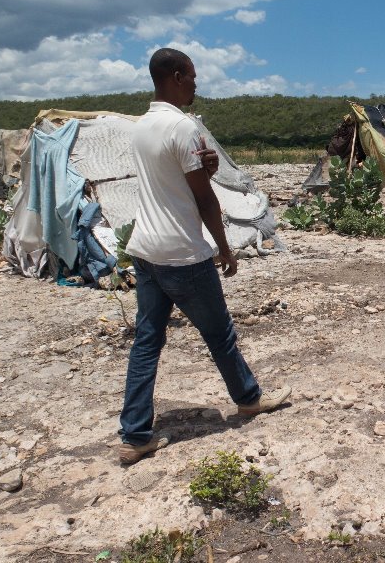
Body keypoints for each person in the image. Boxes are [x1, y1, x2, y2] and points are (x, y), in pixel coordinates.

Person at [118, 48, 291, 465]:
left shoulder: (142, 127)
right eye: (192, 76)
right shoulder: (184, 128)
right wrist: (225, 248)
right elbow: (203, 199)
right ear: (177, 76)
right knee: (220, 334)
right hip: (182, 254)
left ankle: (136, 434)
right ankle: (249, 399)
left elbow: (176, 181)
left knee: (146, 343)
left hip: (145, 250)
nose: (196, 83)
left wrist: (206, 169)